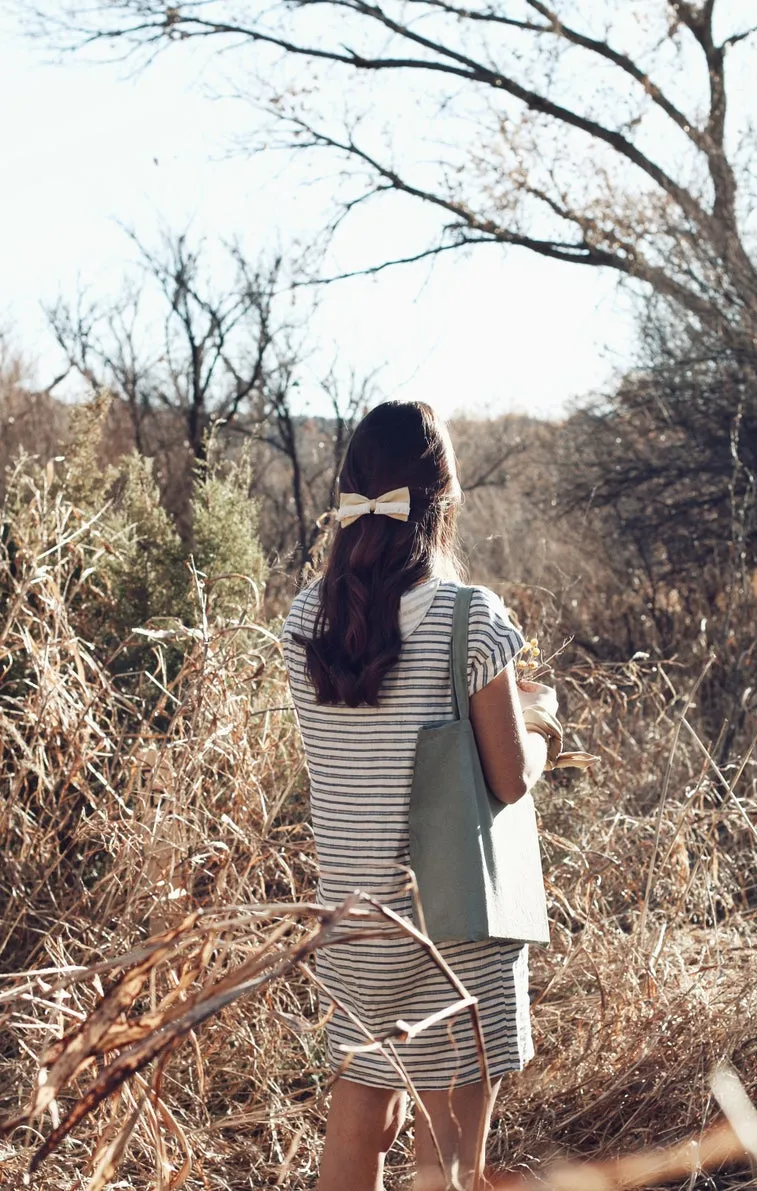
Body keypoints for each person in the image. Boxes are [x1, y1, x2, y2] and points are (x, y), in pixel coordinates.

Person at [280, 401, 554, 1191]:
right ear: (442, 498)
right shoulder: (471, 618)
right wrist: (542, 726)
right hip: (453, 929)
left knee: (360, 1123)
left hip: (356, 921)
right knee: (447, 1158)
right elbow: (508, 778)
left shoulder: (306, 620)